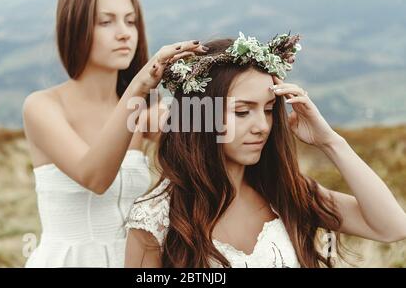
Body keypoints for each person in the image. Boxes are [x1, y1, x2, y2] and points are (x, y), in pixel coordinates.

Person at [125, 32, 406, 267]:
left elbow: (392, 227)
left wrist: (330, 142)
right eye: (243, 111)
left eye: (269, 110)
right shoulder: (157, 218)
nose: (262, 126)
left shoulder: (287, 193)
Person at [22, 0, 208, 267]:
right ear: (75, 28)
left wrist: (238, 76)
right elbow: (94, 177)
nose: (124, 33)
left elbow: (218, 132)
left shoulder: (145, 112)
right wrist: (139, 86)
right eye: (106, 22)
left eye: (130, 21)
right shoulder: (41, 107)